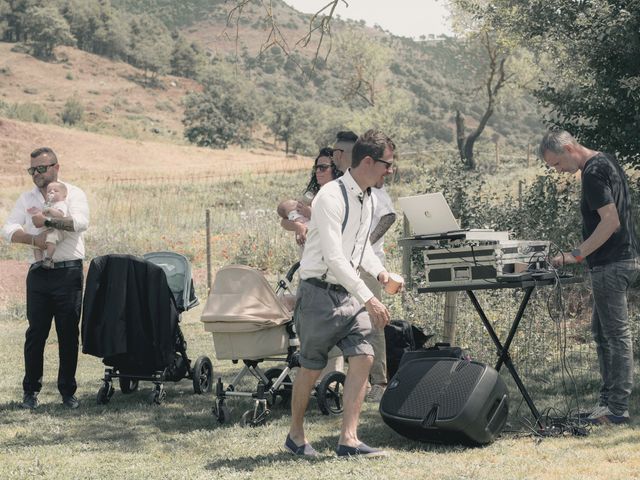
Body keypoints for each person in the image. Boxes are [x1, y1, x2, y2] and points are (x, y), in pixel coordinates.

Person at [285, 129, 401, 458]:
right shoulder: (331, 197)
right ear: (367, 161)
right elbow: (335, 257)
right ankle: (296, 435)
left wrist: (381, 273)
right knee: (310, 368)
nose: (389, 171)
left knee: (363, 356)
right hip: (318, 292)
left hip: (347, 293)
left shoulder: (369, 199)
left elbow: (358, 250)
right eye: (386, 164)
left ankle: (348, 439)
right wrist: (371, 297)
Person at [540, 130, 640, 424]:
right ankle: (606, 403)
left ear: (569, 148)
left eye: (556, 164)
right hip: (623, 260)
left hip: (611, 264)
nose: (558, 171)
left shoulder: (592, 173)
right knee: (601, 333)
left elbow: (610, 222)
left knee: (616, 336)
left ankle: (617, 409)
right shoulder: (605, 161)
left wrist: (576, 255)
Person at [1, 147, 90, 410]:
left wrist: (48, 223)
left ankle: (67, 392)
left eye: (41, 168)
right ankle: (30, 392)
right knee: (35, 333)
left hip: (68, 271)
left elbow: (81, 223)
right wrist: (33, 239)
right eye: (32, 170)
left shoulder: (73, 193)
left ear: (56, 167)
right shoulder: (25, 198)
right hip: (38, 273)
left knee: (67, 333)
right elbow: (8, 230)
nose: (36, 174)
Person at [333, 130, 397, 403]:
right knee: (349, 322)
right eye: (334, 151)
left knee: (374, 322)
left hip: (369, 266)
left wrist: (361, 246)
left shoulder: (373, 186)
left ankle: (379, 381)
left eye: (340, 152)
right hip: (345, 266)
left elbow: (389, 216)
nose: (335, 155)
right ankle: (354, 380)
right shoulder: (339, 189)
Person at [279, 147, 341, 246]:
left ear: (336, 169)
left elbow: (337, 225)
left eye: (323, 167)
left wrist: (310, 213)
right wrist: (298, 226)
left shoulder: (341, 195)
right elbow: (284, 221)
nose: (318, 171)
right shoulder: (313, 194)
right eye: (316, 168)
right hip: (308, 255)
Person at [27, 181, 69, 268]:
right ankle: (38, 262)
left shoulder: (61, 204)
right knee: (36, 243)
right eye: (49, 191)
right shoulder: (47, 204)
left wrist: (50, 210)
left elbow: (60, 215)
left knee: (51, 239)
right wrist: (37, 211)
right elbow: (42, 213)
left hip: (57, 230)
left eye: (56, 191)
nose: (52, 192)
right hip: (45, 229)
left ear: (64, 196)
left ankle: (48, 258)